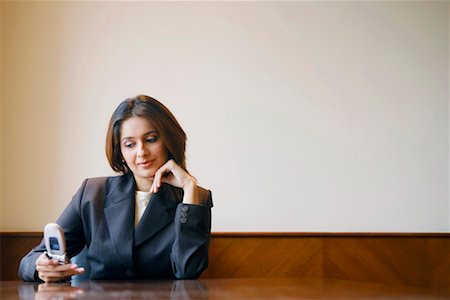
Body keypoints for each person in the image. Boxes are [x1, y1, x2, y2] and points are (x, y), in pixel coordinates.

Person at [18, 95, 213, 282]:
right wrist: (40, 267)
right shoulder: (93, 193)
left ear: (169, 141)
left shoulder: (195, 198)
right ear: (120, 153)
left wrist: (189, 186)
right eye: (130, 144)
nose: (141, 152)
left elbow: (187, 270)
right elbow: (30, 260)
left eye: (151, 139)